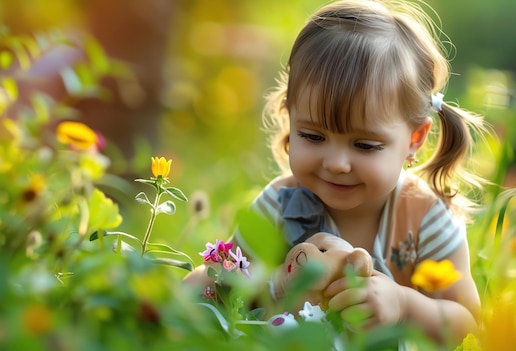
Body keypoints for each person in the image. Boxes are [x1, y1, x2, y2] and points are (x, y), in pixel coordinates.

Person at [184, 0, 487, 345]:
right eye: (313, 136)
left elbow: (466, 321)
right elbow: (225, 277)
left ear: (414, 139)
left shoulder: (423, 219)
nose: (336, 163)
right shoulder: (280, 206)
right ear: (290, 118)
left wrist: (403, 304)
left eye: (365, 145)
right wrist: (177, 298)